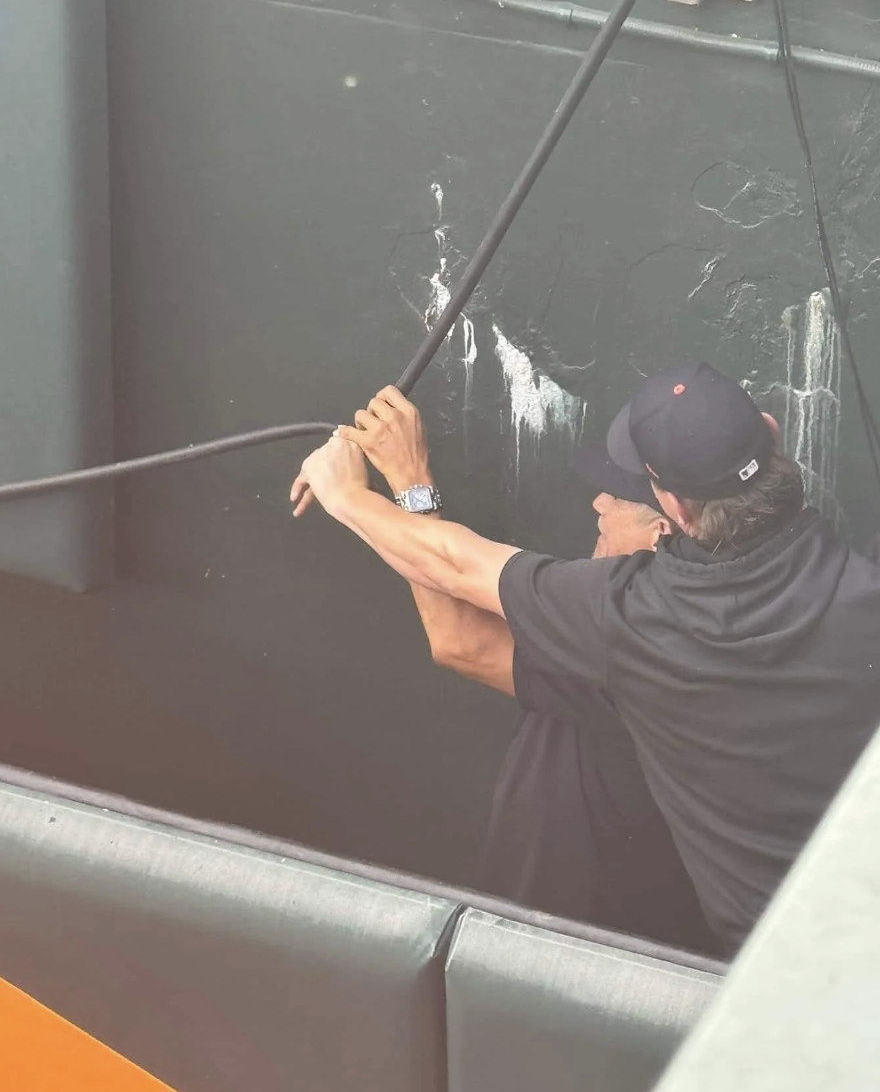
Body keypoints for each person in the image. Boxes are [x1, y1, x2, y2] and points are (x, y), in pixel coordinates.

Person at [291, 363, 880, 959]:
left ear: (672, 513)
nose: (599, 502)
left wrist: (363, 492)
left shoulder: (638, 621)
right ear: (771, 433)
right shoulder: (862, 587)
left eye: (627, 495)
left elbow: (460, 604)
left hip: (758, 975)